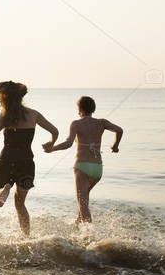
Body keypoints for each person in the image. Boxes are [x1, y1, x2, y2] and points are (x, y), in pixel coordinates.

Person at [0, 82, 58, 235]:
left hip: (7, 159)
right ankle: (26, 237)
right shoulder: (34, 114)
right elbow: (55, 130)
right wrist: (51, 144)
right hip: (27, 162)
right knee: (20, 203)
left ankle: (2, 189)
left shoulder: (6, 115)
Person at [44, 96, 124, 224]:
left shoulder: (76, 124)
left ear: (79, 109)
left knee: (83, 204)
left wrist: (52, 149)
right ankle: (78, 223)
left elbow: (68, 143)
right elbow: (119, 130)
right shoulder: (102, 122)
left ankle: (89, 237)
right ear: (93, 109)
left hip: (82, 167)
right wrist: (115, 146)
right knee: (83, 199)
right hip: (97, 169)